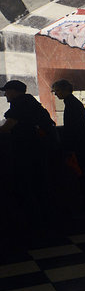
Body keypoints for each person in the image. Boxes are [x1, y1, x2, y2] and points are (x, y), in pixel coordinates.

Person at [1, 79, 58, 234]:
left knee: (29, 186)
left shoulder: (19, 104)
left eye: (6, 91)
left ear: (13, 91)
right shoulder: (32, 102)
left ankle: (34, 222)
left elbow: (8, 126)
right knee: (41, 185)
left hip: (28, 153)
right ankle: (46, 221)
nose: (5, 94)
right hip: (41, 151)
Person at [51, 79, 85, 215]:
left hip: (78, 147)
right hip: (83, 145)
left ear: (64, 90)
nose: (55, 94)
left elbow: (72, 129)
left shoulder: (71, 105)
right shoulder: (74, 103)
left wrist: (67, 147)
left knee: (83, 176)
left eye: (57, 91)